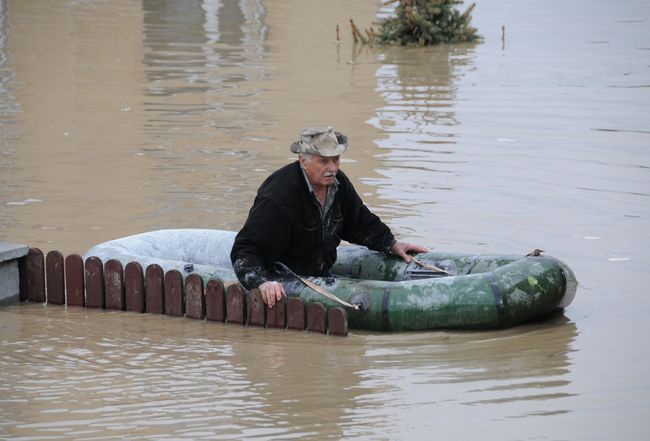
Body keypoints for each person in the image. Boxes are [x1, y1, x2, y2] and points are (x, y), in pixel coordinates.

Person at [230, 127, 429, 308]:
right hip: (283, 276)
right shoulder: (279, 194)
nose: (332, 167)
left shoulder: (338, 183)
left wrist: (391, 243)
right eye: (323, 161)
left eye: (336, 159)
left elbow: (359, 220)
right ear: (303, 161)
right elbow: (245, 249)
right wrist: (262, 282)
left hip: (320, 274)